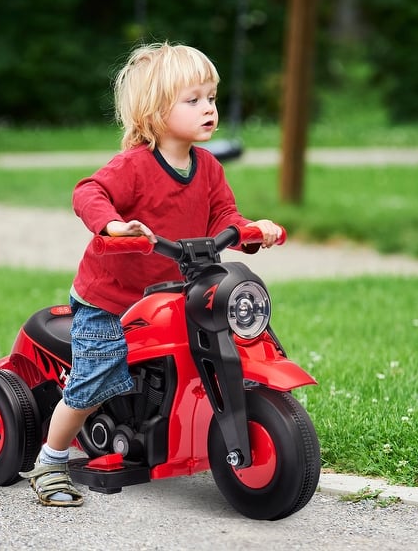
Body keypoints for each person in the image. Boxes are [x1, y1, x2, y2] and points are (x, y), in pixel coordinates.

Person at [20, 41, 282, 506]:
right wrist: (113, 225)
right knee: (94, 379)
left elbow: (226, 217)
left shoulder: (208, 168)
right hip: (112, 300)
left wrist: (251, 230)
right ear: (156, 113)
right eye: (193, 100)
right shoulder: (135, 167)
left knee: (238, 339)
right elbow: (89, 191)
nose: (208, 109)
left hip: (175, 292)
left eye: (211, 98)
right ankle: (52, 460)